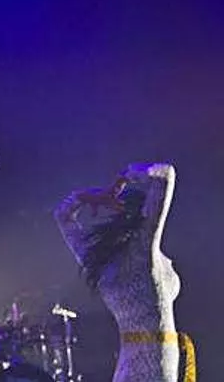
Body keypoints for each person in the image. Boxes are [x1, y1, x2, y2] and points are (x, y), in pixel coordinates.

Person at [53, 162, 194, 382]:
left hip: (135, 366)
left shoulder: (100, 260)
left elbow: (62, 215)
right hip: (156, 366)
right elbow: (166, 174)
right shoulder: (142, 252)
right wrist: (124, 177)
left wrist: (90, 197)